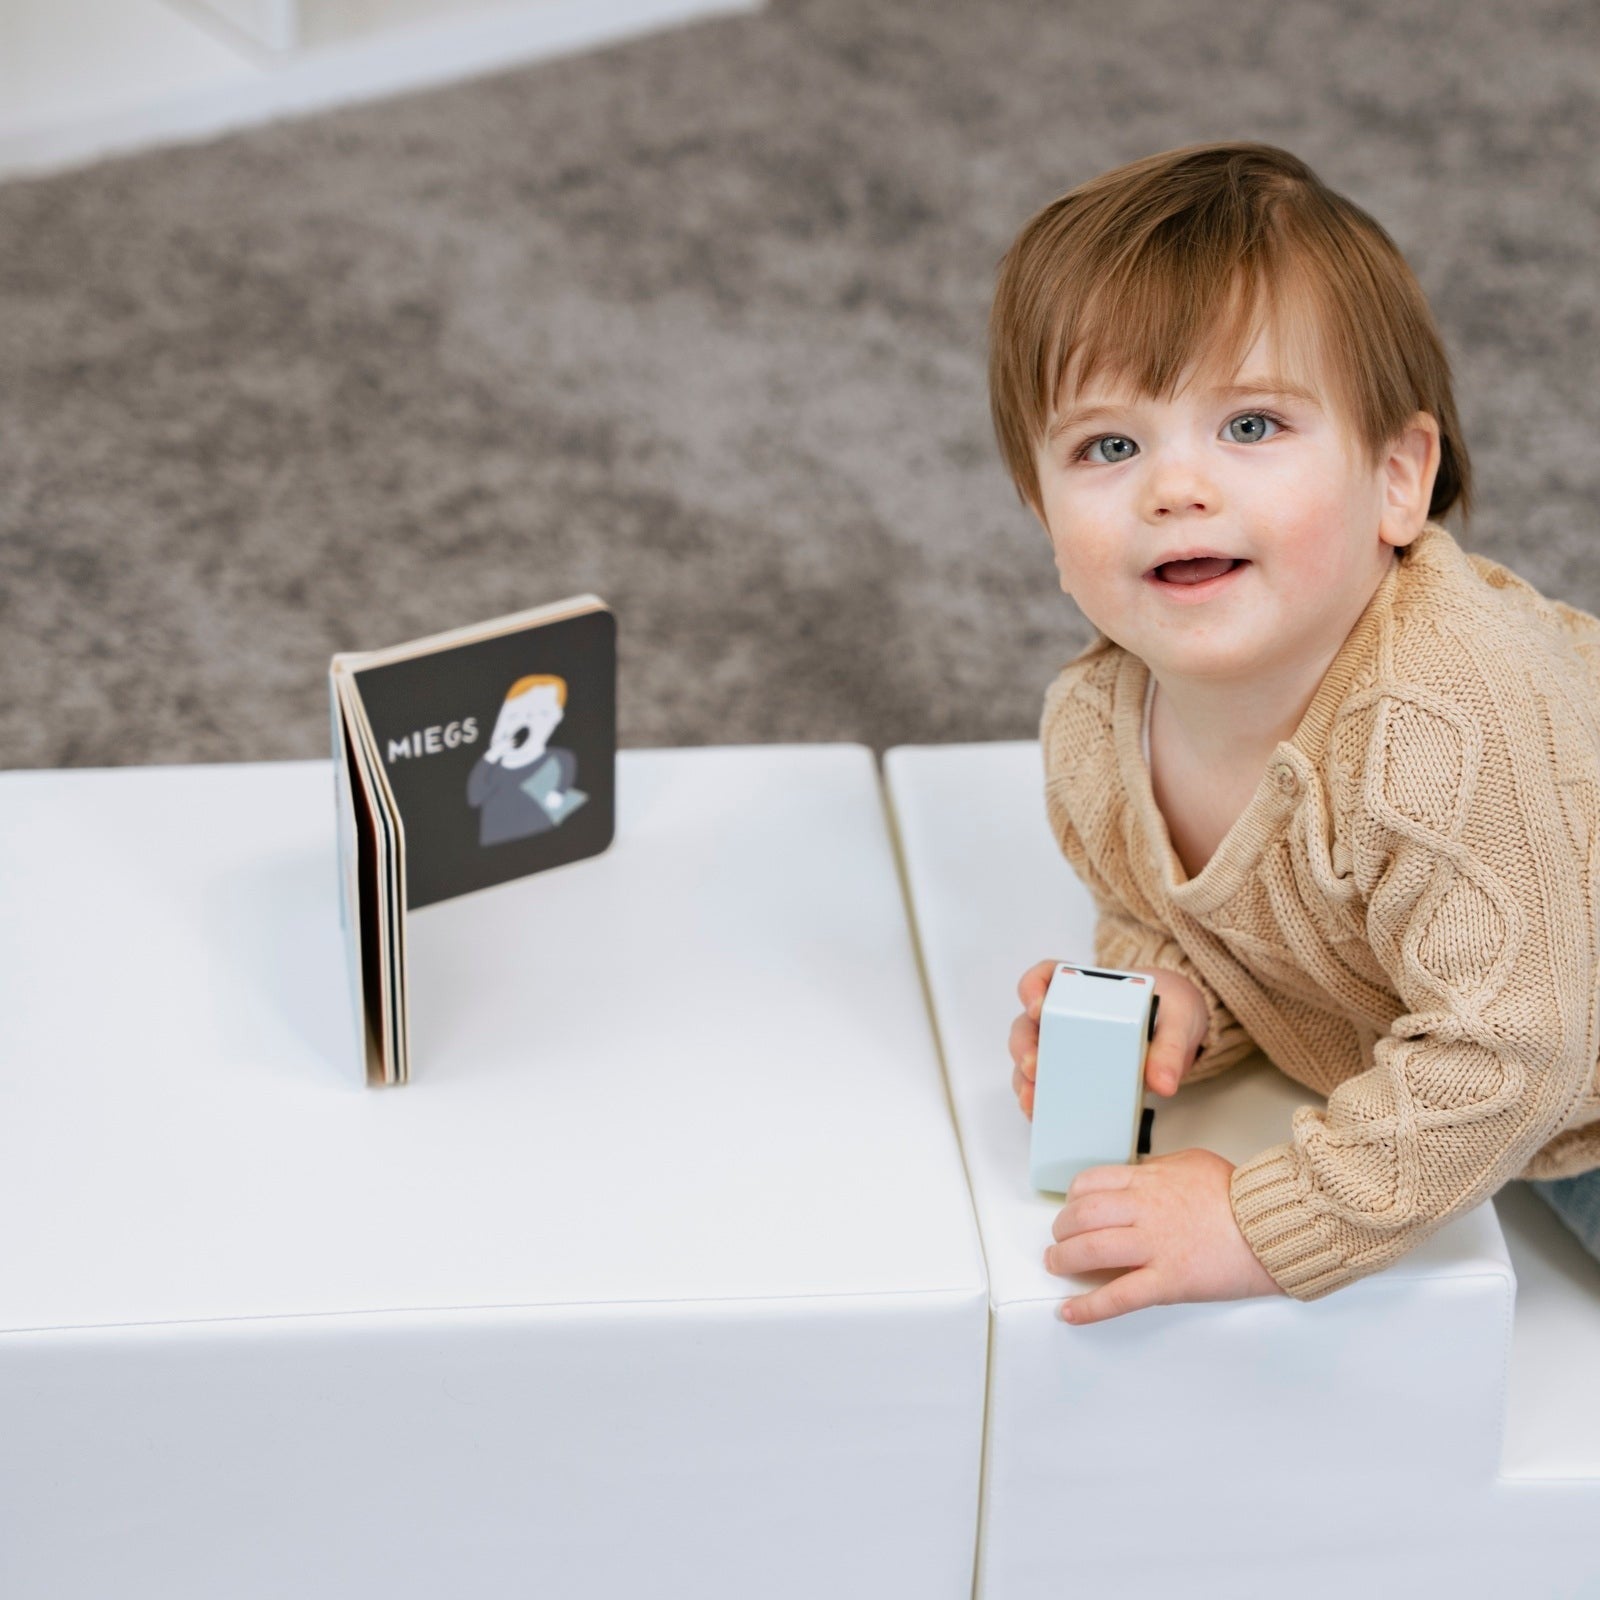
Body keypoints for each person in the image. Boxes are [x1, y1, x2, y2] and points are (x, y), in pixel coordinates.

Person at [991, 141, 1600, 1326]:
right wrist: (1173, 1002)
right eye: (1107, 447)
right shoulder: (1094, 726)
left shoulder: (1438, 727)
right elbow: (1184, 910)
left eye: (1252, 426)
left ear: (1395, 480)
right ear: (1041, 512)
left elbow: (1518, 1053)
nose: (1174, 486)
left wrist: (1259, 1222)